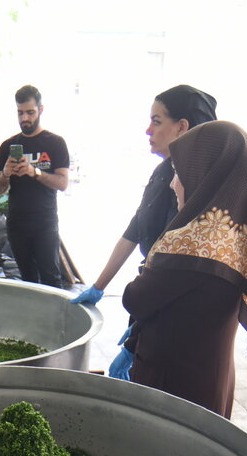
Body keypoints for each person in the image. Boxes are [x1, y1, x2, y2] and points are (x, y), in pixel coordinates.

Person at [119, 121, 247, 419]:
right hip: (209, 379)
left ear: (206, 177)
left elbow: (135, 299)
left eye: (180, 172)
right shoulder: (232, 237)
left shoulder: (192, 243)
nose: (173, 183)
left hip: (174, 389)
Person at [72, 85, 218, 306]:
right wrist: (98, 287)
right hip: (152, 290)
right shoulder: (163, 171)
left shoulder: (197, 184)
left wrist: (143, 306)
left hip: (178, 302)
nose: (148, 130)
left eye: (157, 122)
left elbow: (180, 258)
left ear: (182, 127)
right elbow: (135, 230)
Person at [0, 85, 71, 288]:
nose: (24, 118)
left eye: (30, 112)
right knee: (27, 281)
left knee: (51, 278)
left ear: (41, 110)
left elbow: (62, 183)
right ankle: (34, 320)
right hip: (17, 224)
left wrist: (34, 172)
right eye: (20, 113)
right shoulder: (7, 146)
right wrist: (6, 174)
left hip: (45, 222)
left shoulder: (55, 143)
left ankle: (54, 320)